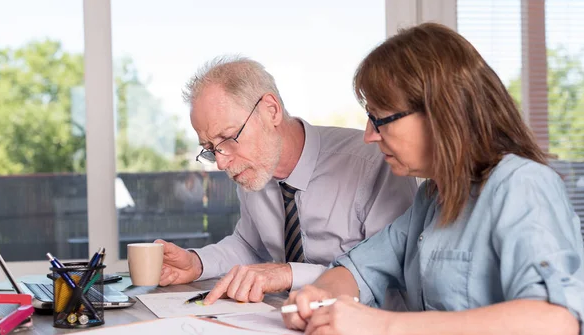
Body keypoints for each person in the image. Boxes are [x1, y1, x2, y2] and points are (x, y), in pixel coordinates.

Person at [283, 22, 584, 335]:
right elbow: (358, 271)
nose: (369, 135)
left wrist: (381, 327)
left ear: (442, 114)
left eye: (380, 118)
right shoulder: (431, 198)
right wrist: (316, 297)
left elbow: (554, 325)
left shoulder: (522, 185)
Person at [157, 56, 417, 304]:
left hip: (368, 332)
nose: (222, 162)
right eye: (211, 148)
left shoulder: (372, 163)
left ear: (271, 110)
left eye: (227, 138)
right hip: (287, 322)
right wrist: (197, 263)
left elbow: (387, 270)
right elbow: (249, 245)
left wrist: (288, 274)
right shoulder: (254, 171)